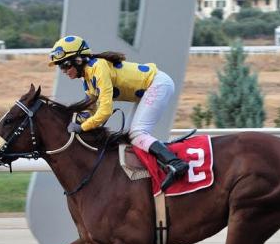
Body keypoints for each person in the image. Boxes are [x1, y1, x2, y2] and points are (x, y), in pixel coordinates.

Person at [48, 35, 188, 192]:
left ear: (78, 60)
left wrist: (83, 127)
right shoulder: (86, 78)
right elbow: (91, 108)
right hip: (148, 90)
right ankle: (158, 169)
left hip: (158, 84)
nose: (64, 71)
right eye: (61, 67)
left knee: (137, 133)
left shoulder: (98, 68)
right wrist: (75, 121)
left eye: (65, 65)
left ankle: (176, 163)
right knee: (128, 136)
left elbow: (105, 111)